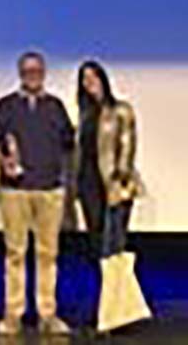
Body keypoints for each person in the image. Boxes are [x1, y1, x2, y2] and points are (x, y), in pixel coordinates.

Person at [0, 51, 75, 337]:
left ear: (43, 73)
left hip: (50, 190)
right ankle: (13, 315)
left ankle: (48, 314)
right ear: (20, 74)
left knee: (48, 254)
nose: (32, 75)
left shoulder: (55, 106)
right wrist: (4, 161)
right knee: (15, 254)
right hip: (15, 192)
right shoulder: (6, 105)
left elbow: (69, 143)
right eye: (27, 71)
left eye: (36, 70)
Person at [74, 60, 151, 333]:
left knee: (113, 251)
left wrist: (119, 180)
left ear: (103, 80)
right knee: (99, 252)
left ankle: (115, 316)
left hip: (114, 187)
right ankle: (112, 311)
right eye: (84, 79)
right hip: (89, 189)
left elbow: (127, 147)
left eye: (93, 77)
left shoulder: (120, 110)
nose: (89, 83)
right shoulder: (84, 116)